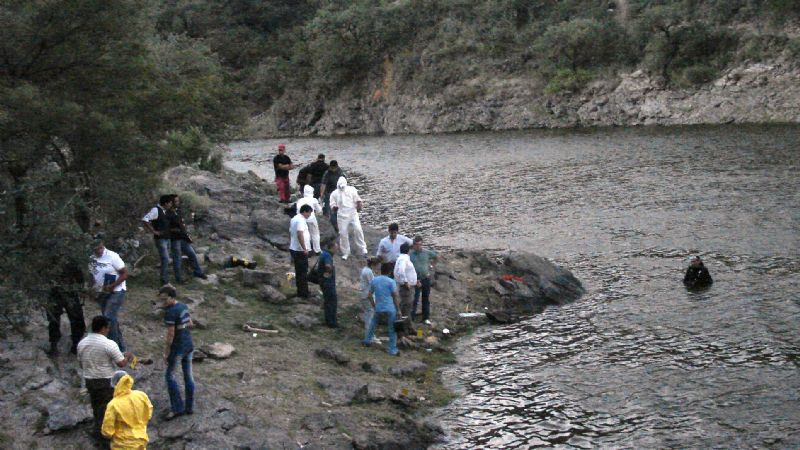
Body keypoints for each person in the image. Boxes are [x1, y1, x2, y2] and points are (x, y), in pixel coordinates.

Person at [77, 315, 132, 443]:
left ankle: (97, 433)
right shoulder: (109, 344)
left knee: (96, 408)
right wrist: (128, 356)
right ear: (103, 328)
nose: (108, 330)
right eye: (107, 328)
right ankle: (106, 439)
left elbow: (81, 363)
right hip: (105, 381)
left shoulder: (82, 343)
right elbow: (121, 363)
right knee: (107, 410)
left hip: (90, 380)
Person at [159, 284, 195, 419]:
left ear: (171, 297)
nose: (163, 302)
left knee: (170, 376)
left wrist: (166, 352)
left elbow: (170, 335)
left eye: (164, 299)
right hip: (188, 345)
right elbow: (190, 323)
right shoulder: (183, 306)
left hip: (177, 348)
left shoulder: (170, 312)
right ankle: (189, 407)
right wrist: (182, 327)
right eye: (161, 299)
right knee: (188, 376)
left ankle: (177, 408)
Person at [89, 240, 129, 351]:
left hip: (116, 291)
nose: (100, 250)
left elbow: (125, 273)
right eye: (97, 249)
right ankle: (121, 348)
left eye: (101, 248)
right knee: (111, 319)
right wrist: (91, 289)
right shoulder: (91, 259)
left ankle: (113, 346)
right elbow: (92, 275)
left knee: (108, 317)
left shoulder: (112, 256)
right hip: (102, 291)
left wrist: (113, 285)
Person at [102, 371, 153, 450]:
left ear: (115, 385)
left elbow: (107, 430)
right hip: (141, 439)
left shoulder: (113, 404)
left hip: (122, 444)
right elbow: (149, 413)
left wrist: (108, 435)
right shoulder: (141, 395)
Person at [46, 261, 86, 355]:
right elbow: (80, 279)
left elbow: (80, 279)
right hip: (64, 292)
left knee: (56, 319)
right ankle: (69, 345)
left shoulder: (52, 260)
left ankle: (59, 345)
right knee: (56, 319)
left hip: (62, 292)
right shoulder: (68, 260)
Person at [363, 264, 401, 356]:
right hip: (390, 308)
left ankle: (367, 340)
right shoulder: (391, 282)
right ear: (390, 272)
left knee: (373, 324)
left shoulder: (375, 280)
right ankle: (392, 349)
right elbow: (395, 296)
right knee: (392, 328)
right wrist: (398, 310)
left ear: (381, 270)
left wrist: (374, 306)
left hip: (379, 307)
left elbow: (369, 295)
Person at [167, 194, 207, 281]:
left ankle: (197, 272)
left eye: (178, 201)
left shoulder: (178, 211)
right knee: (177, 258)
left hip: (183, 238)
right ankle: (179, 278)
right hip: (175, 239)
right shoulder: (167, 214)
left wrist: (186, 234)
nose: (178, 202)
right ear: (172, 202)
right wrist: (174, 230)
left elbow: (182, 224)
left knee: (192, 254)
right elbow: (165, 227)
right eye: (176, 201)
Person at [329, 177, 367, 260]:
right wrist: (334, 207)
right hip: (342, 216)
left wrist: (359, 206)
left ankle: (362, 249)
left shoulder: (352, 190)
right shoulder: (334, 194)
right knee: (343, 233)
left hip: (352, 213)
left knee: (358, 229)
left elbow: (358, 200)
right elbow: (332, 204)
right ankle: (346, 252)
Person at [142, 195, 175, 286]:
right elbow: (145, 219)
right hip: (161, 239)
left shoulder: (164, 211)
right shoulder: (156, 210)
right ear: (166, 203)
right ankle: (164, 281)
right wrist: (153, 231)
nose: (171, 205)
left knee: (166, 259)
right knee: (165, 259)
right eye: (170, 203)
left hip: (166, 238)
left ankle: (165, 279)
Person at [410, 236, 438, 325]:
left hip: (426, 278)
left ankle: (426, 318)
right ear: (413, 245)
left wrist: (432, 265)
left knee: (425, 298)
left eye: (420, 244)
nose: (418, 246)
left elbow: (436, 256)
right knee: (415, 299)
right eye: (416, 245)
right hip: (416, 280)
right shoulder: (410, 255)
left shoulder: (426, 252)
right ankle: (412, 318)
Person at [289, 205, 313, 298]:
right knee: (303, 272)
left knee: (299, 272)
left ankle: (301, 291)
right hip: (300, 250)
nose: (310, 215)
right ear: (305, 211)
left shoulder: (294, 218)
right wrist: (304, 248)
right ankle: (304, 293)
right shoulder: (301, 220)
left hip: (294, 248)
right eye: (309, 213)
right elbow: (300, 233)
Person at [319, 160, 346, 232]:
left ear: (337, 167)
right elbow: (323, 184)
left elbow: (344, 185)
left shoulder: (341, 173)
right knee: (329, 208)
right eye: (331, 168)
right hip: (329, 193)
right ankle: (333, 224)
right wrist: (321, 194)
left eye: (334, 168)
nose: (333, 169)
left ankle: (338, 224)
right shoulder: (327, 173)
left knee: (339, 209)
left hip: (339, 193)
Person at [295, 185, 323, 254]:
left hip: (302, 220)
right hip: (312, 219)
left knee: (305, 235)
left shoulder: (300, 201)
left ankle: (308, 250)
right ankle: (317, 250)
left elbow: (298, 211)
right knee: (315, 234)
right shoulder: (314, 200)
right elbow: (319, 210)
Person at [360, 257, 382, 344]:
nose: (379, 267)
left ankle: (370, 335)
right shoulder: (368, 272)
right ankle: (370, 336)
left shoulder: (366, 270)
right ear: (373, 264)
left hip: (364, 295)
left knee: (368, 316)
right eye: (378, 265)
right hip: (367, 296)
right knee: (370, 317)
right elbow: (373, 284)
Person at [393, 242, 418, 318]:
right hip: (406, 287)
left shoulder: (401, 258)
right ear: (408, 250)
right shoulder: (404, 259)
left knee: (406, 304)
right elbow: (401, 271)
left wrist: (415, 281)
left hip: (407, 285)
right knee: (406, 304)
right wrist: (406, 282)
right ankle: (404, 321)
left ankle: (404, 320)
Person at [318, 241, 339, 328]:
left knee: (327, 301)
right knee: (332, 302)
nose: (337, 250)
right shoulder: (327, 255)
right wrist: (329, 272)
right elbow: (328, 266)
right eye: (336, 248)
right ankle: (332, 322)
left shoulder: (324, 253)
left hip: (323, 281)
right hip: (328, 282)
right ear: (332, 248)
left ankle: (328, 320)